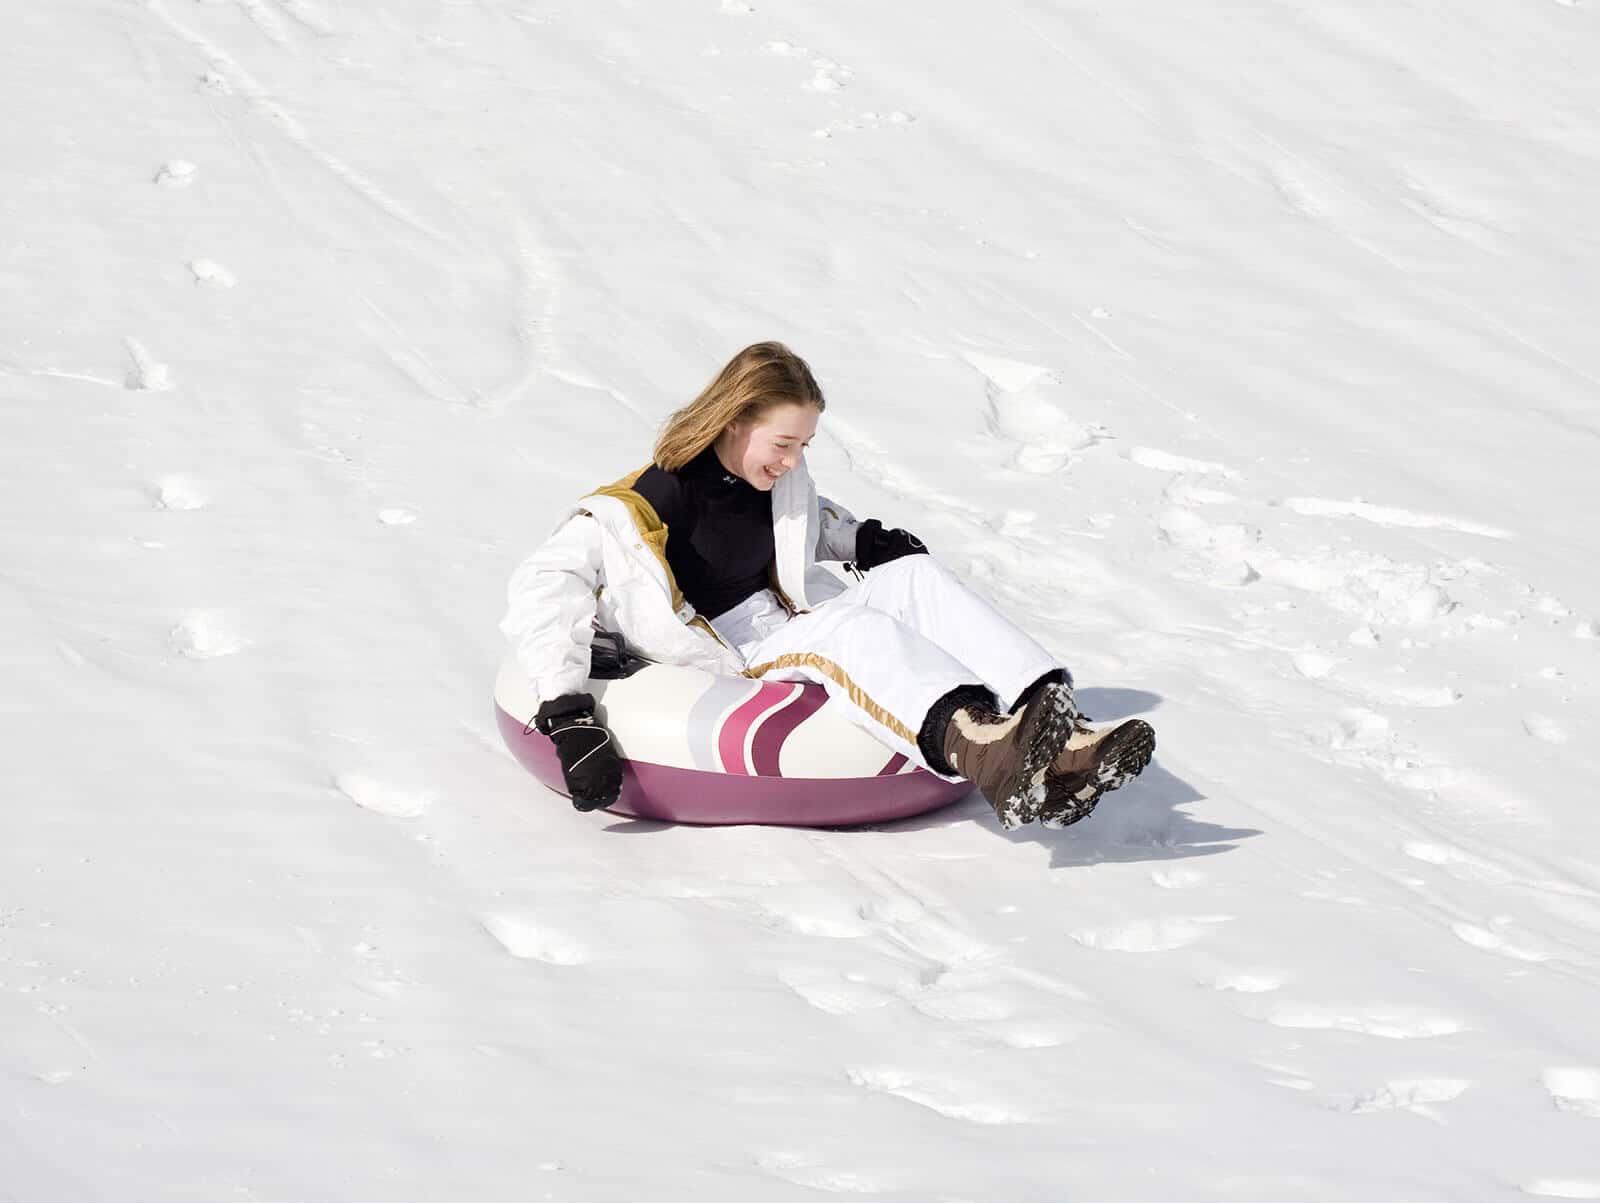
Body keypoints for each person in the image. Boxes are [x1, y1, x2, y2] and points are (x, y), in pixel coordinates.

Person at [500, 341, 1154, 829]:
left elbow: (804, 520)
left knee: (915, 577)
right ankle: (984, 749)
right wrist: (566, 713)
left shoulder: (777, 478)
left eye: (804, 445)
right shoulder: (640, 506)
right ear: (735, 419)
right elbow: (545, 583)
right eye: (784, 443)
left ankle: (1061, 727)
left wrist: (862, 542)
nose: (792, 461)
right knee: (851, 627)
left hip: (783, 617)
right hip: (730, 652)